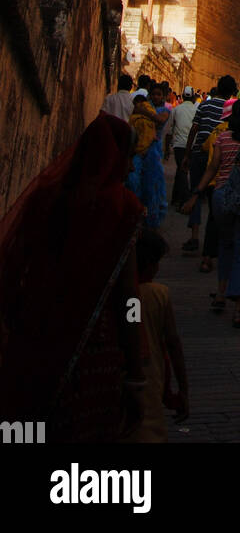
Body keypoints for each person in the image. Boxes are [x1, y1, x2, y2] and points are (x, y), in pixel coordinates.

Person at [0, 113, 146, 441]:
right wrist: (137, 371)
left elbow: (14, 262)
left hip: (33, 335)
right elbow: (128, 298)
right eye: (129, 159)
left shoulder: (45, 197)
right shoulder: (121, 209)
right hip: (92, 350)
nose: (131, 168)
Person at [184, 99, 240, 328]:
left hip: (221, 197)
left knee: (225, 246)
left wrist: (196, 194)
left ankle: (220, 294)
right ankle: (239, 310)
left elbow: (212, 169)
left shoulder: (222, 138)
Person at [121, 229, 189, 442]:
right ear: (151, 264)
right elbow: (173, 343)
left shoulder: (118, 294)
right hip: (149, 377)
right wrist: (183, 389)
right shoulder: (158, 293)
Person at [180, 74, 237, 268]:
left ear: (217, 88)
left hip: (199, 154)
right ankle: (213, 245)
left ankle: (195, 235)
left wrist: (187, 154)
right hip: (218, 156)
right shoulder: (231, 108)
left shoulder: (204, 105)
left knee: (196, 191)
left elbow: (194, 129)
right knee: (214, 198)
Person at [127, 84, 170, 228]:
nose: (156, 97)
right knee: (135, 181)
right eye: (154, 94)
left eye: (159, 94)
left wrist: (144, 111)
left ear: (163, 97)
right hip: (139, 148)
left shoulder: (163, 110)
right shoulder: (145, 108)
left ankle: (151, 220)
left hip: (153, 151)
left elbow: (161, 120)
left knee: (152, 186)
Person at [164, 88, 197, 208]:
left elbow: (169, 130)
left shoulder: (176, 109)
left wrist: (167, 148)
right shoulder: (196, 110)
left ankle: (181, 198)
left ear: (182, 96)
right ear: (193, 97)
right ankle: (181, 198)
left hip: (179, 145)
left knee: (181, 170)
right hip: (192, 144)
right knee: (183, 170)